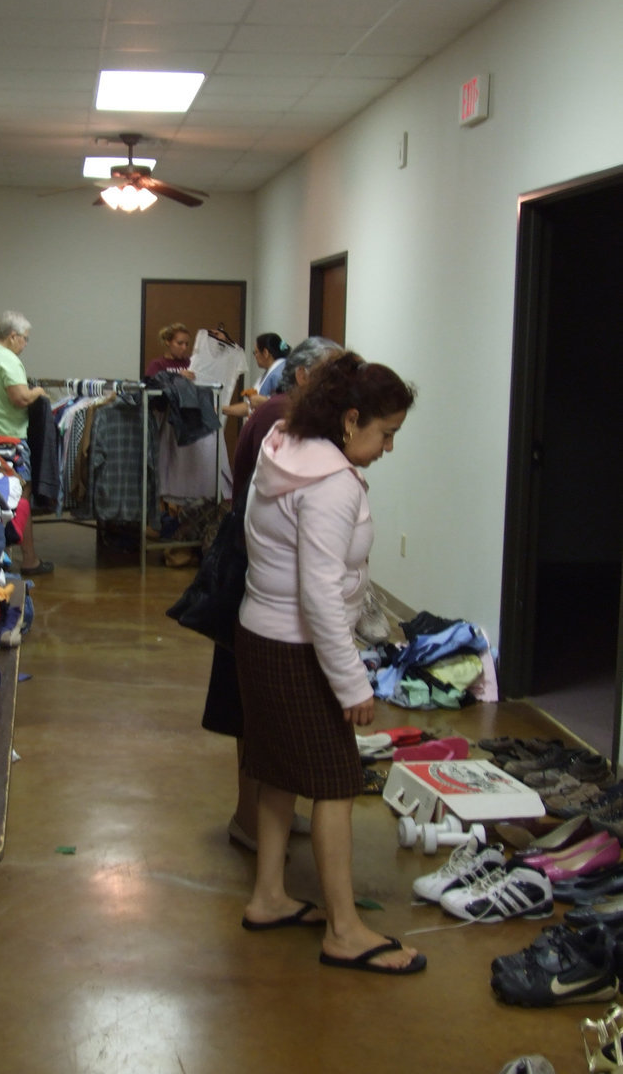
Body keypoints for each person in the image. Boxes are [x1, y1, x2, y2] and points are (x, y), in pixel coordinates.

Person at [236, 352, 424, 974]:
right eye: (386, 433)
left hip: (259, 633)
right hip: (297, 648)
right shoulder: (333, 484)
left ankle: (268, 895)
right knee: (338, 782)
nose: (389, 447)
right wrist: (352, 684)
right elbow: (319, 595)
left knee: (276, 769)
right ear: (349, 420)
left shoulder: (284, 446)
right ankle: (345, 930)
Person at [201, 338, 343, 850]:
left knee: (268, 710)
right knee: (254, 708)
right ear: (303, 376)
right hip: (257, 578)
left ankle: (269, 814)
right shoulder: (281, 417)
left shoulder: (279, 413)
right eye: (332, 373)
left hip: (260, 573)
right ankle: (249, 817)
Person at [0, 310, 53, 576]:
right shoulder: (8, 360)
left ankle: (1, 556)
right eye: (25, 339)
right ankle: (28, 559)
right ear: (13, 336)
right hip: (8, 439)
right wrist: (38, 391)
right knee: (20, 497)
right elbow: (20, 398)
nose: (25, 345)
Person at [222, 332, 291, 419]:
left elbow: (287, 406)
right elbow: (250, 406)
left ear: (265, 353)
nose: (255, 356)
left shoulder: (279, 374)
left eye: (256, 352)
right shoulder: (272, 371)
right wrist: (223, 409)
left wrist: (266, 402)